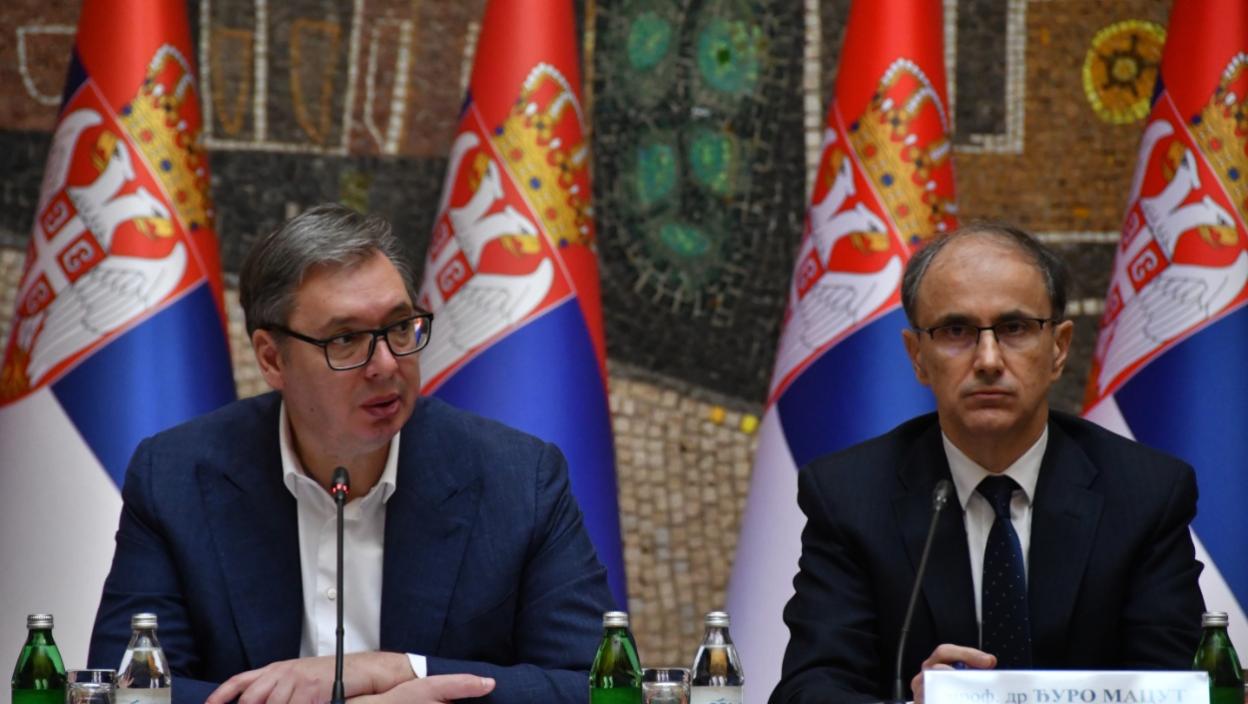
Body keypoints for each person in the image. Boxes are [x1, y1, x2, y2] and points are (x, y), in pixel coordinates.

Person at [87, 204, 615, 704]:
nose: (385, 364)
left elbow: (599, 686)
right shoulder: (175, 476)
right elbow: (126, 690)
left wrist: (399, 670)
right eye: (345, 339)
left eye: (399, 327)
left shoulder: (518, 479)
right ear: (272, 359)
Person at [770, 223, 1205, 704]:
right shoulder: (850, 497)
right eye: (956, 331)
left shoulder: (1145, 494)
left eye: (1015, 328)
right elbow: (809, 690)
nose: (989, 360)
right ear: (917, 357)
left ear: (1059, 348)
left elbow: (1177, 688)